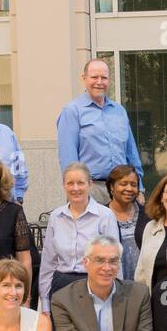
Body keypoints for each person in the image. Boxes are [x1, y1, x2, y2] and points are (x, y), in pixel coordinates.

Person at [56, 58, 143, 204]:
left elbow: (131, 153)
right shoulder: (72, 111)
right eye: (94, 77)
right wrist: (77, 190)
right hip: (91, 190)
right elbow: (68, 158)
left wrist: (139, 188)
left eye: (104, 78)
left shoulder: (119, 111)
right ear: (84, 78)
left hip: (123, 189)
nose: (99, 82)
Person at [38, 163, 120, 309]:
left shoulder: (105, 216)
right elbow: (48, 262)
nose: (75, 188)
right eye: (70, 183)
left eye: (80, 183)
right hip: (61, 286)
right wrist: (45, 302)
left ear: (90, 184)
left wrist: (115, 297)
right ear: (64, 186)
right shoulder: (56, 217)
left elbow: (115, 260)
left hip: (95, 285)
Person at [106, 163, 148, 281]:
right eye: (123, 184)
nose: (129, 189)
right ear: (111, 187)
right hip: (111, 284)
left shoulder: (148, 215)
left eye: (133, 185)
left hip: (143, 286)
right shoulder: (101, 216)